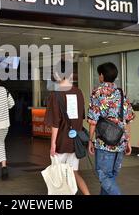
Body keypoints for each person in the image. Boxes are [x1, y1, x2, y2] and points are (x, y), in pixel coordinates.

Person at [44, 60, 91, 195]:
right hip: (75, 141)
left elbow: (55, 123)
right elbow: (81, 117)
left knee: (58, 176)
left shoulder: (56, 94)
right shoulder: (79, 92)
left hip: (61, 142)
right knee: (73, 173)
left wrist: (53, 144)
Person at [88, 62, 135, 195]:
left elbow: (93, 119)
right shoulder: (121, 92)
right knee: (111, 175)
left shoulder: (97, 92)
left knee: (103, 175)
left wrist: (90, 140)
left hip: (104, 142)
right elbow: (128, 118)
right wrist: (128, 141)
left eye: (99, 74)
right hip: (120, 140)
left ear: (102, 76)